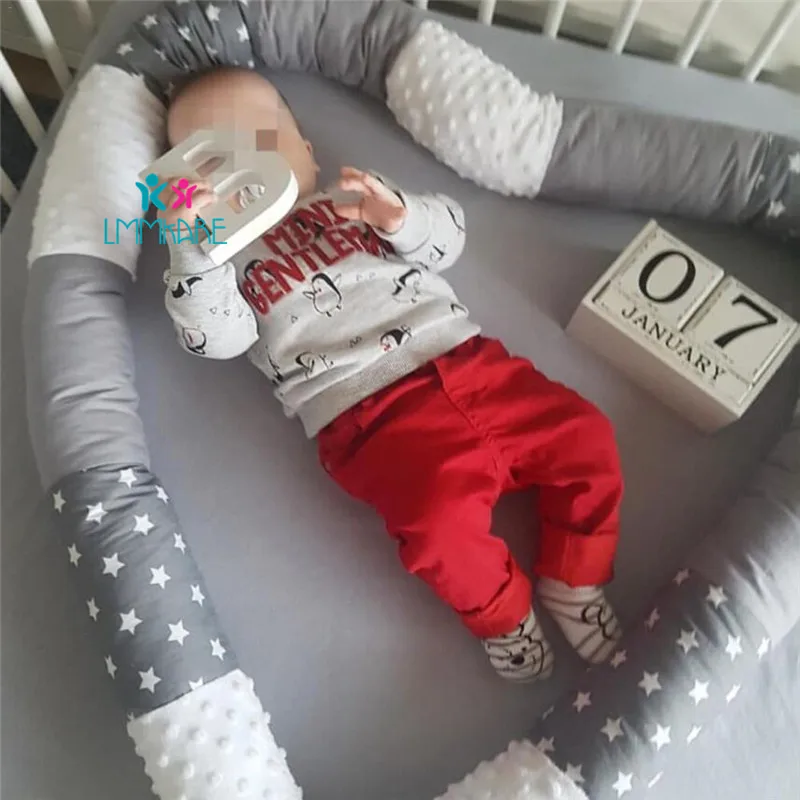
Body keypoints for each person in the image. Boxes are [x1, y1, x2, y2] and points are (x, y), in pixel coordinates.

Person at [161, 67, 623, 682]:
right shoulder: (223, 261)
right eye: (214, 161)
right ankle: (502, 616)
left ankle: (574, 575)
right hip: (374, 421)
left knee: (586, 435)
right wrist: (192, 248)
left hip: (470, 362)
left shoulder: (352, 200)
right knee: (438, 530)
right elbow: (215, 339)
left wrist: (403, 218)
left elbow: (448, 240)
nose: (247, 163)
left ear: (307, 150)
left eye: (263, 136)